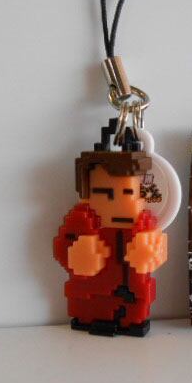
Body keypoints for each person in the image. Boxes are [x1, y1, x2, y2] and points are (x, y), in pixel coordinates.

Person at [53, 121, 167, 336]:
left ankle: (131, 323)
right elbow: (62, 249)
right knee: (87, 306)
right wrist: (76, 255)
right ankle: (88, 319)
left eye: (127, 193)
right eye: (103, 194)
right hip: (90, 289)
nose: (118, 202)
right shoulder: (81, 221)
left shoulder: (143, 226)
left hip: (131, 291)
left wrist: (148, 254)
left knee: (134, 309)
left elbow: (157, 252)